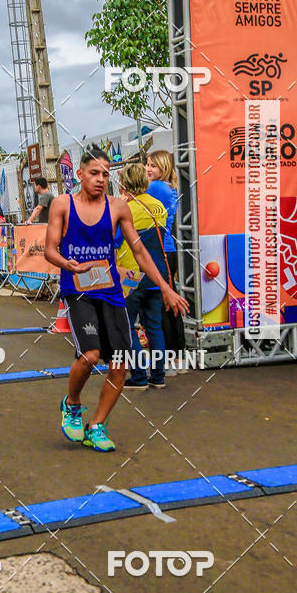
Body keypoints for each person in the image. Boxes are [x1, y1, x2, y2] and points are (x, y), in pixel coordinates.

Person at [45, 145, 189, 453]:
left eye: (105, 174)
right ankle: (72, 404)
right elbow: (50, 249)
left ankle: (96, 426)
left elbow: (140, 251)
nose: (100, 179)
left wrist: (165, 287)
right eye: (94, 173)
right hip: (79, 290)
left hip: (110, 292)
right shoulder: (61, 204)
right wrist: (67, 264)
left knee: (121, 363)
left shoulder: (118, 207)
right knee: (91, 355)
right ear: (80, 174)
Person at [115, 163, 169, 390]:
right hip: (157, 274)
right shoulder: (159, 206)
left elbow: (116, 241)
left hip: (131, 275)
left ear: (124, 183)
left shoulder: (125, 209)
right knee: (154, 327)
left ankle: (138, 377)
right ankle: (158, 376)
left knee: (127, 326)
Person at [146, 149, 187, 372]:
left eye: (152, 165)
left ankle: (168, 360)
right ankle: (178, 357)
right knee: (170, 303)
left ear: (163, 167)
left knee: (160, 305)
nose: (147, 169)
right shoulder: (170, 188)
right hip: (168, 250)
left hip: (160, 250)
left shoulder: (155, 188)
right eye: (147, 164)